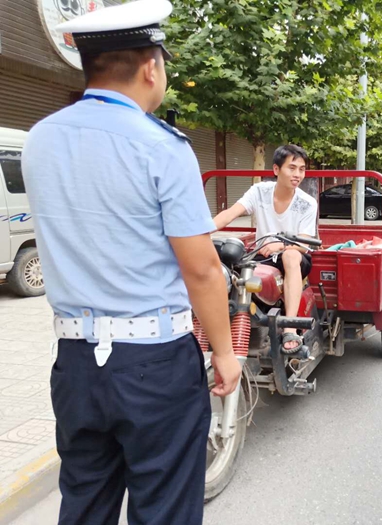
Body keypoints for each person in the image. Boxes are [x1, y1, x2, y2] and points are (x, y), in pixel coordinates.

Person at [21, 1, 241, 523]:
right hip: (155, 362)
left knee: (84, 503)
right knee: (163, 509)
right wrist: (225, 352)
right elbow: (201, 268)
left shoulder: (40, 139)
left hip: (75, 361)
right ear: (150, 67)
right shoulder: (161, 146)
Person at [214, 145, 317, 353]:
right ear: (276, 169)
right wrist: (199, 232)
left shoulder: (307, 203)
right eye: (292, 168)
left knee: (290, 255)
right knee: (229, 262)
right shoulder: (259, 191)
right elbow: (231, 213)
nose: (297, 174)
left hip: (296, 256)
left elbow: (305, 244)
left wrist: (281, 245)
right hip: (263, 254)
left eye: (302, 169)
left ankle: (290, 327)